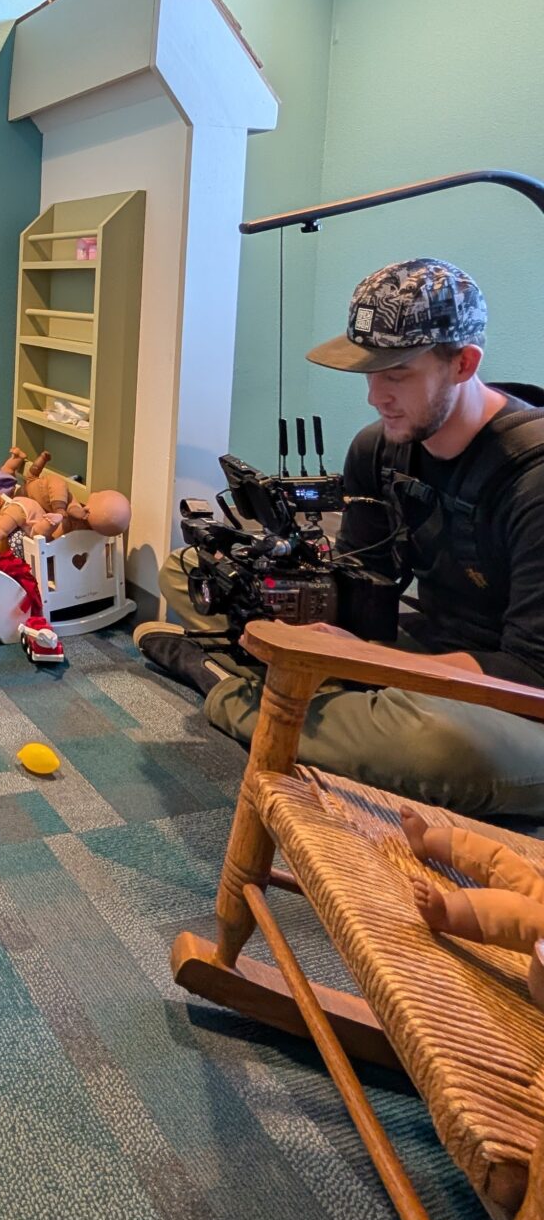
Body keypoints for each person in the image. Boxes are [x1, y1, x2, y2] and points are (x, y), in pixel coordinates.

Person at [142, 258, 544, 817]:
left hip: (518, 703)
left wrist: (363, 660)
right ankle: (319, 694)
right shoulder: (378, 449)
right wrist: (314, 612)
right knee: (194, 569)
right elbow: (356, 582)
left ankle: (223, 684)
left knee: (438, 747)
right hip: (426, 642)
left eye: (397, 373)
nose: (376, 396)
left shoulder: (534, 481)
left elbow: (529, 673)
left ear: (463, 364)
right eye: (368, 373)